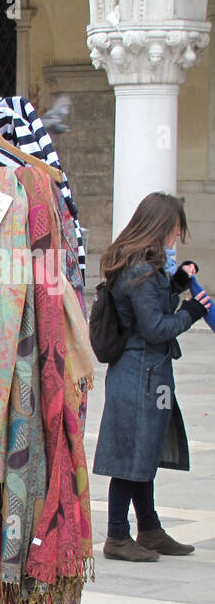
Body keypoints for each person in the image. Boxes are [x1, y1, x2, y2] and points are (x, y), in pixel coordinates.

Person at [93, 191, 212, 561]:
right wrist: (193, 310)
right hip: (139, 373)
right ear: (162, 225)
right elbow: (157, 327)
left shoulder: (143, 266)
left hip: (149, 373)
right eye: (176, 228)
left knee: (145, 451)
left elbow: (154, 304)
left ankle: (149, 528)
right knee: (130, 455)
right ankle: (117, 535)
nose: (178, 234)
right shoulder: (140, 271)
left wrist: (177, 281)